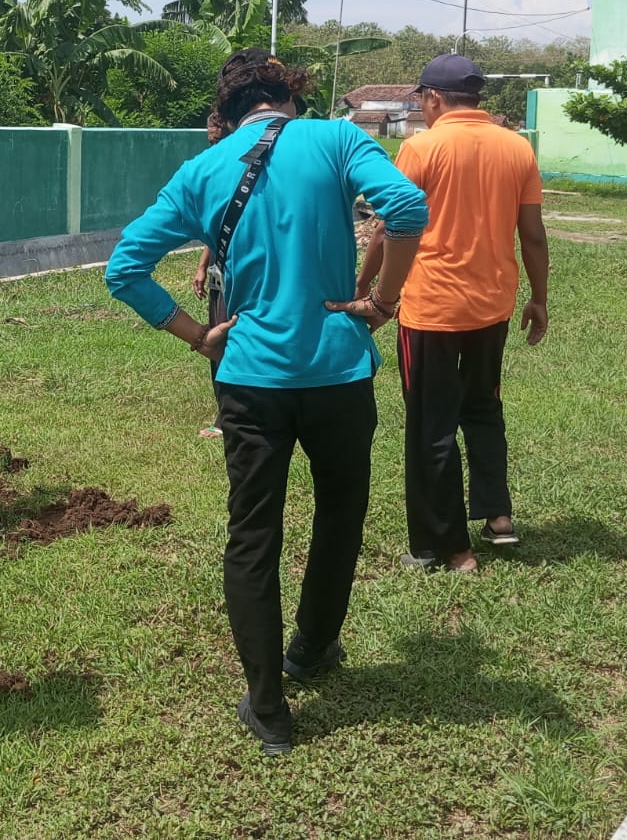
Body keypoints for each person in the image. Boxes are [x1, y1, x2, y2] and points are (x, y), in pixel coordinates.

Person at [106, 49, 426, 757]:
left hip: (250, 379)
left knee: (254, 533)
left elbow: (124, 267)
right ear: (291, 96)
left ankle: (269, 705)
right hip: (339, 370)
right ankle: (312, 646)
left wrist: (197, 335)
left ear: (228, 109)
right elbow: (404, 207)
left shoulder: (204, 168)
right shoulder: (339, 139)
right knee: (342, 509)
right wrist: (382, 302)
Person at [358, 53, 549, 575]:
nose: (421, 108)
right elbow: (531, 234)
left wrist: (363, 288)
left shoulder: (421, 147)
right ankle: (498, 517)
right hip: (493, 307)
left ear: (434, 98)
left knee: (431, 426)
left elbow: (386, 228)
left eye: (421, 100)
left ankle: (445, 548)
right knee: (484, 408)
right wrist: (540, 297)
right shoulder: (517, 148)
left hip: (431, 311)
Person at [190, 111, 230, 439]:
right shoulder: (213, 164)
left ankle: (227, 419)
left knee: (227, 339)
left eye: (217, 138)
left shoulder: (237, 166)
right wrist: (203, 264)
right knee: (217, 339)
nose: (213, 143)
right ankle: (224, 412)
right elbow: (214, 228)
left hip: (237, 272)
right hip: (219, 269)